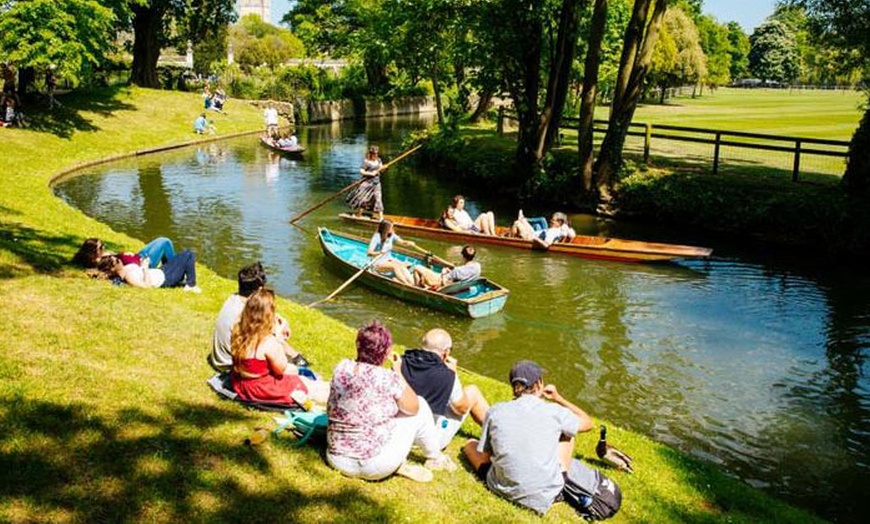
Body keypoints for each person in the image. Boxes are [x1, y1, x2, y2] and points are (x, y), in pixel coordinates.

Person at [463, 360, 621, 518]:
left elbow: (486, 454)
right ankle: (562, 479)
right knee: (567, 433)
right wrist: (558, 398)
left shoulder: (496, 411)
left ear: (513, 386)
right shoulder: (555, 412)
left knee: (470, 444)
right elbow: (588, 423)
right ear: (538, 383)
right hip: (544, 495)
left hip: (500, 487)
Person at [326, 321, 455, 483]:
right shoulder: (388, 378)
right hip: (372, 466)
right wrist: (398, 373)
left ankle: (400, 461)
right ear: (386, 352)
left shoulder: (342, 367)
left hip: (336, 459)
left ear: (358, 345)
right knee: (421, 404)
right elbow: (413, 408)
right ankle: (435, 457)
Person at [230, 288, 329, 405]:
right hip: (261, 388)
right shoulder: (268, 342)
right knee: (306, 384)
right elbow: (281, 369)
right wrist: (279, 338)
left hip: (241, 382)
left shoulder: (238, 330)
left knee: (306, 379)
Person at [400, 328, 490, 450]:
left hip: (399, 433)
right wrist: (453, 373)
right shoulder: (446, 375)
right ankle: (500, 433)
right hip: (426, 441)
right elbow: (461, 409)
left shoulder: (401, 362)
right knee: (472, 392)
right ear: (446, 352)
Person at [210, 262, 309, 373]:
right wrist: (278, 334)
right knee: (290, 369)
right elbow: (266, 339)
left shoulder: (234, 299)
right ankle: (295, 357)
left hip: (221, 360)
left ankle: (294, 356)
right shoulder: (244, 314)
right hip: (232, 366)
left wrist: (277, 318)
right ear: (259, 289)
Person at [98, 251, 200, 292]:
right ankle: (191, 284)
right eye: (116, 260)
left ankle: (183, 279)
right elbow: (147, 286)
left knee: (183, 255)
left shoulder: (124, 269)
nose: (119, 260)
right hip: (165, 278)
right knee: (189, 254)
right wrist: (145, 268)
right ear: (112, 268)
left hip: (160, 271)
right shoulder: (128, 276)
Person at [367, 220, 419, 286]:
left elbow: (402, 242)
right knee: (395, 267)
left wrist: (409, 243)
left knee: (403, 265)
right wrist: (379, 252)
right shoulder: (377, 237)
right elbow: (369, 253)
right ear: (385, 228)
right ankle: (408, 285)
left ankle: (412, 283)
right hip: (377, 262)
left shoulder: (391, 235)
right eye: (391, 227)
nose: (393, 229)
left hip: (388, 259)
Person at [73, 237, 176, 270]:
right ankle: (175, 271)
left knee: (161, 239)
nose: (103, 247)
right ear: (93, 253)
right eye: (100, 247)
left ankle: (169, 269)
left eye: (102, 245)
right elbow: (121, 269)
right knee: (165, 242)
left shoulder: (101, 256)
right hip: (143, 263)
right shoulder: (101, 263)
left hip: (139, 255)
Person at [413, 244, 481, 289]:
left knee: (417, 267)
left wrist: (443, 272)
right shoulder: (478, 266)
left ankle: (417, 288)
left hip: (439, 280)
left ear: (463, 256)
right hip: (458, 284)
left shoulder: (458, 270)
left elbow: (445, 283)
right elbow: (458, 273)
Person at [346, 145, 384, 220]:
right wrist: (371, 174)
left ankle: (381, 218)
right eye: (374, 153)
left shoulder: (379, 160)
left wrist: (383, 169)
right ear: (371, 153)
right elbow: (362, 171)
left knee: (378, 199)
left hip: (376, 183)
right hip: (367, 183)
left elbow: (381, 170)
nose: (375, 154)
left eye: (376, 153)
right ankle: (358, 215)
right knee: (363, 199)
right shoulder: (366, 161)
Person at [512, 211, 576, 248]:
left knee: (517, 222)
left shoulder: (552, 232)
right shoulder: (563, 228)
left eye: (553, 220)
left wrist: (535, 238)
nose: (550, 221)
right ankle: (522, 219)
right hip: (534, 233)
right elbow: (572, 235)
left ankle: (511, 239)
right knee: (522, 221)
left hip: (530, 237)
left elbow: (546, 245)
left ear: (559, 222)